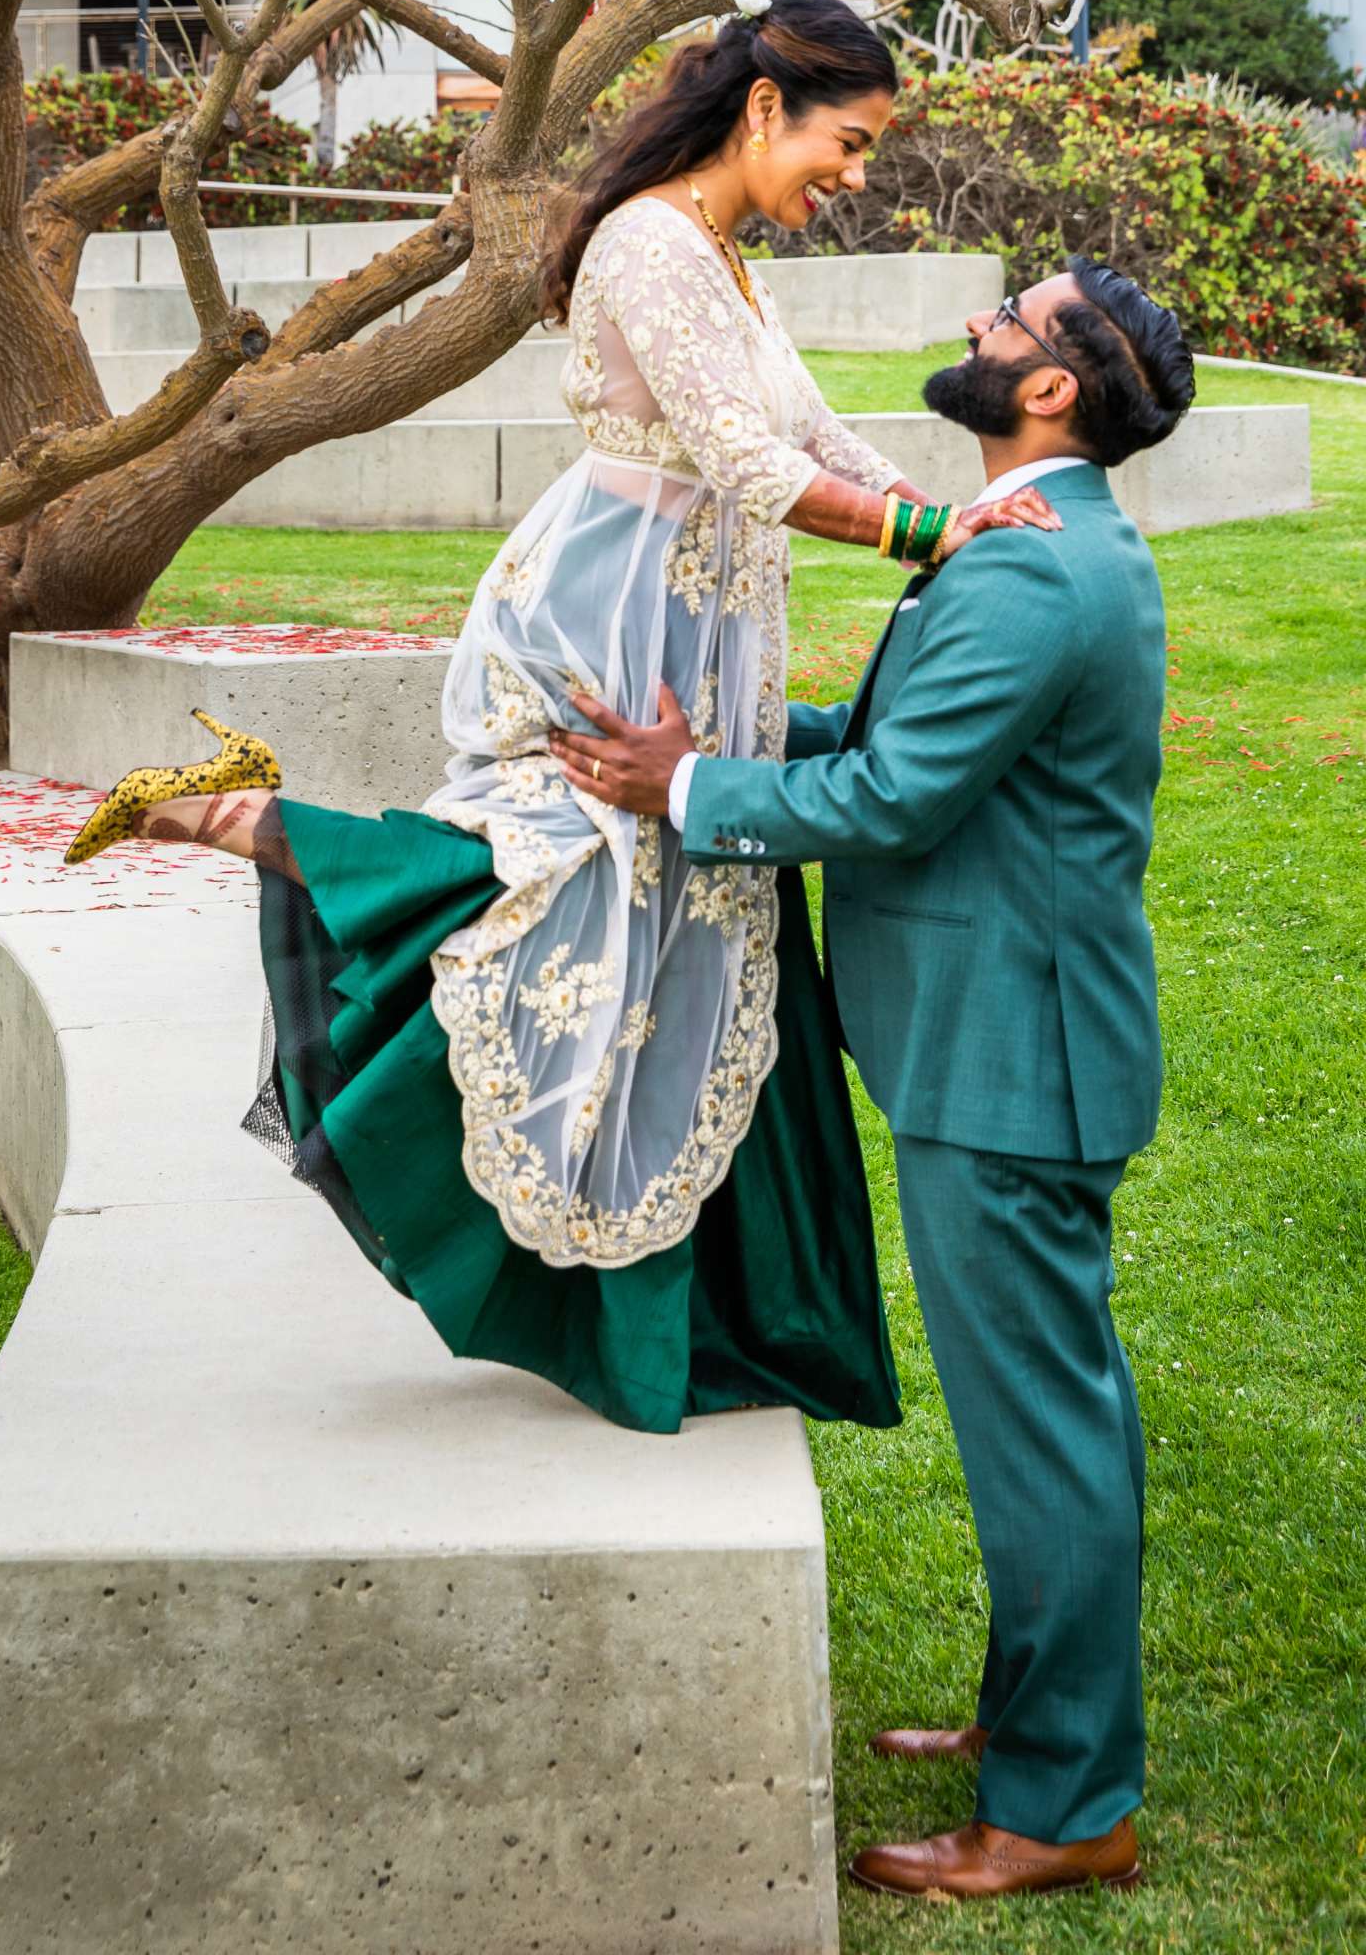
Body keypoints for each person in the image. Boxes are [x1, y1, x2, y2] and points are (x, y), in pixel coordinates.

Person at [61, 0, 1054, 1438]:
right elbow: (740, 462)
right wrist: (925, 541)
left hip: (697, 619)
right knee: (575, 886)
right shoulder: (655, 242)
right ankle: (241, 817)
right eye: (848, 142)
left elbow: (807, 430)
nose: (856, 175)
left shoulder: (718, 248)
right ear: (766, 106)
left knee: (677, 915)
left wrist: (959, 507)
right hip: (620, 613)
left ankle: (688, 1315)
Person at [550, 258, 1196, 1900]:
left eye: (1009, 321)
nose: (978, 332)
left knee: (1045, 1434)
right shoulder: (1038, 548)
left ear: (1051, 386)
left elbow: (901, 800)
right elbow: (920, 739)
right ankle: (1041, 1726)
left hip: (1009, 1061)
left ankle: (1065, 1812)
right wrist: (756, 738)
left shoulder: (1030, 574)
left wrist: (691, 786)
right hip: (1015, 1044)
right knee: (1067, 1420)